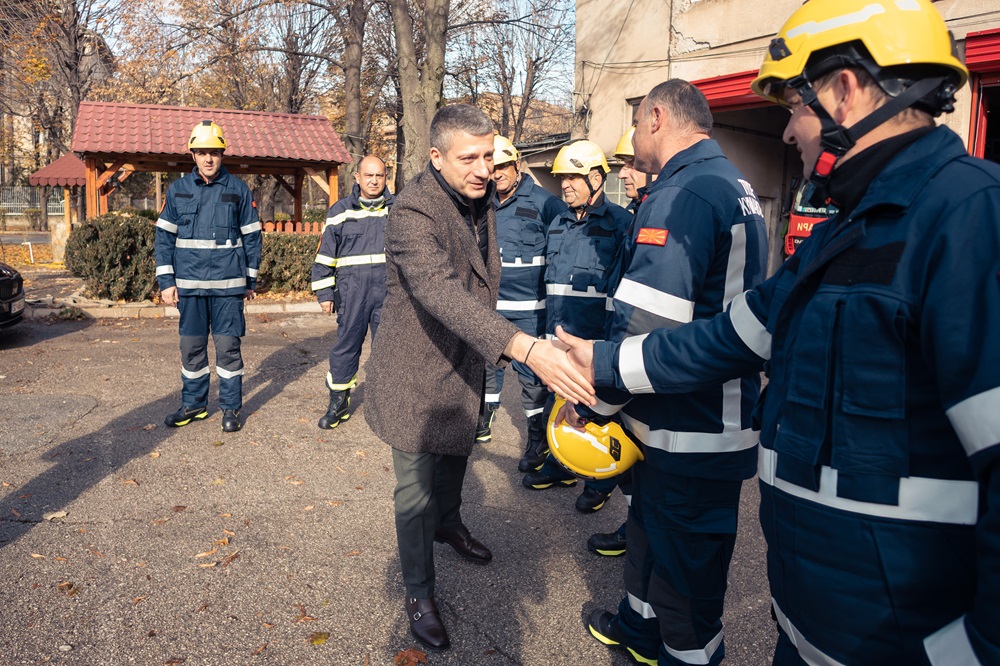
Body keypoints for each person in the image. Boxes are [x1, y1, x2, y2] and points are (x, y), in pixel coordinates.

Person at [559, 1, 1000, 663]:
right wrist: (601, 364)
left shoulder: (971, 218)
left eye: (794, 105)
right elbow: (729, 336)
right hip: (809, 628)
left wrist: (975, 651)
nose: (789, 132)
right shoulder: (844, 236)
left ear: (844, 92)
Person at [363, 104, 595, 652]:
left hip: (462, 356)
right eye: (469, 157)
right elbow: (441, 290)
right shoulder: (411, 212)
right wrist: (524, 348)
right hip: (415, 370)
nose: (483, 168)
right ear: (435, 157)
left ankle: (451, 522)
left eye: (489, 156)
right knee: (414, 490)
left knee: (457, 452)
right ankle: (419, 592)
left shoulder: (481, 196)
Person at [556, 81, 769, 666]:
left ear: (655, 118)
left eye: (633, 135)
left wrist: (593, 393)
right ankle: (638, 629)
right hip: (681, 421)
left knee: (686, 594)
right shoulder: (733, 185)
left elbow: (650, 322)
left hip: (690, 427)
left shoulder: (685, 193)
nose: (631, 153)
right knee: (648, 539)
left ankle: (677, 647)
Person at [520, 140, 632, 514]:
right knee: (558, 403)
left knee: (597, 413)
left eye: (572, 177)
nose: (565, 184)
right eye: (562, 177)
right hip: (558, 337)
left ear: (596, 177)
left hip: (596, 343)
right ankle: (559, 465)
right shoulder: (559, 223)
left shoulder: (621, 224)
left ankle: (601, 479)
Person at [156, 121, 261, 433]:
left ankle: (231, 408)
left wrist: (249, 281)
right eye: (202, 152)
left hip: (228, 289)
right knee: (191, 350)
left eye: (214, 152)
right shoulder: (177, 191)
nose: (208, 159)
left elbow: (253, 238)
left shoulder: (239, 190)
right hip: (188, 289)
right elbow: (163, 239)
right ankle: (194, 405)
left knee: (228, 349)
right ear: (193, 155)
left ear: (222, 153)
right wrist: (166, 282)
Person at [476, 135, 568, 476]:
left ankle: (537, 439)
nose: (496, 173)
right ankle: (483, 421)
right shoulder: (482, 202)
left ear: (517, 166)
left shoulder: (545, 203)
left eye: (502, 166)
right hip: (492, 309)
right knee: (488, 369)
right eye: (492, 167)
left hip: (531, 312)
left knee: (533, 379)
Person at [584, 126, 656, 557]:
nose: (625, 173)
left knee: (639, 454)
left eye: (633, 164)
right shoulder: (640, 211)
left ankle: (636, 533)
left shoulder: (649, 216)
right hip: (624, 347)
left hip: (638, 358)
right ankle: (633, 527)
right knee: (632, 454)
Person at [310, 156, 394, 430]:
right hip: (352, 293)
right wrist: (325, 293)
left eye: (379, 176)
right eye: (368, 175)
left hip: (389, 296)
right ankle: (339, 403)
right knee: (346, 347)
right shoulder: (340, 211)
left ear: (386, 177)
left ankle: (387, 406)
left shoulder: (399, 210)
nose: (373, 180)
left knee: (388, 351)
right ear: (356, 177)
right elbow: (325, 255)